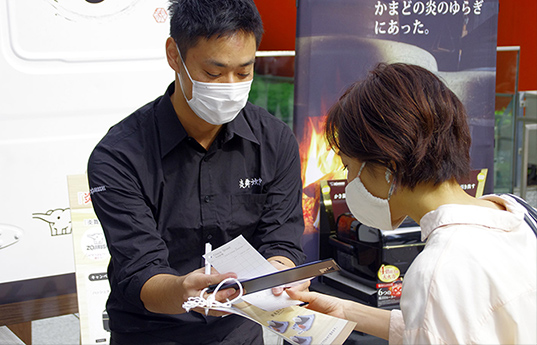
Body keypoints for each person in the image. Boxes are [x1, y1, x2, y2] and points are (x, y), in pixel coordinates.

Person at [87, 1, 306, 344]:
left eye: (244, 72)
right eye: (213, 73)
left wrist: (279, 272)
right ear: (175, 55)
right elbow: (139, 272)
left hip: (241, 331)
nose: (230, 85)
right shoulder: (120, 155)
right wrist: (184, 290)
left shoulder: (274, 141)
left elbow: (281, 238)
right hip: (153, 332)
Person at [287, 63, 537, 344]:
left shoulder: (438, 270)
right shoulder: (518, 212)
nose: (348, 182)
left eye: (348, 167)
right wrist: (345, 309)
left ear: (387, 166)